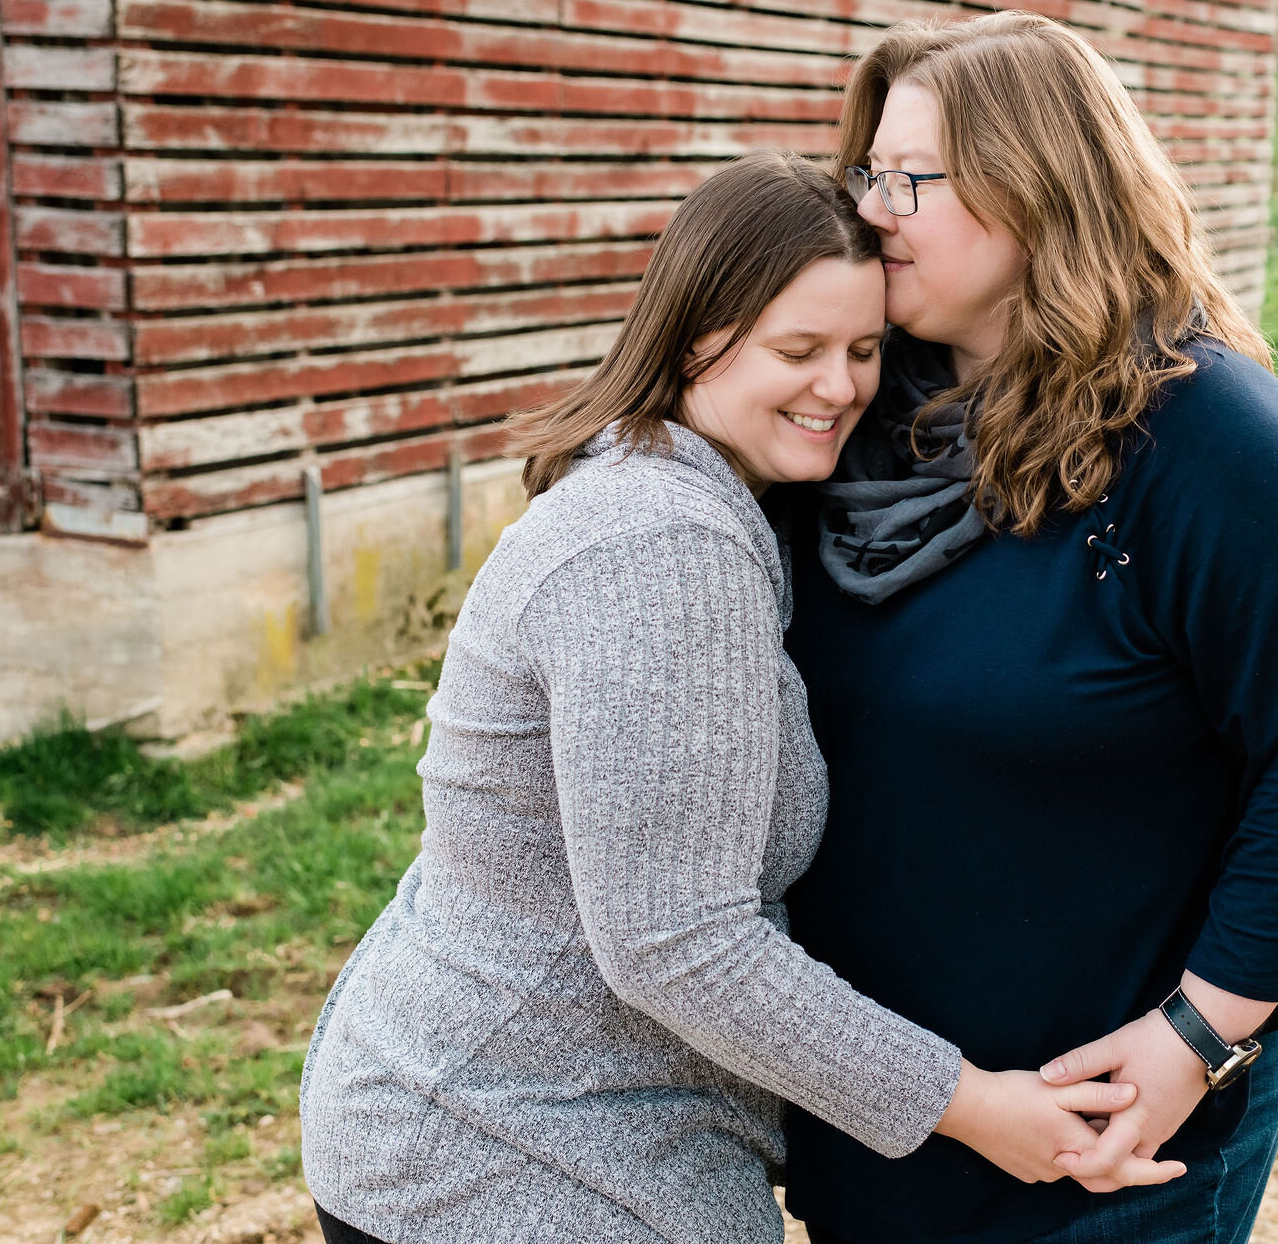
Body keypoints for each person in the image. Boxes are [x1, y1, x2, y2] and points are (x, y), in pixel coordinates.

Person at [297, 151, 1176, 1244]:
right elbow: (677, 942)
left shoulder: (660, 485)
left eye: (862, 350)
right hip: (516, 1160)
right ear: (692, 336)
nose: (840, 388)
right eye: (796, 350)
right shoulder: (662, 545)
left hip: (486, 1121)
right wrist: (976, 1108)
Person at [781, 13, 1278, 1244]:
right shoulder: (852, 409)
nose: (874, 208)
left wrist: (1195, 1038)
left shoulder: (1213, 443)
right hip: (896, 1108)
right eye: (868, 172)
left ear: (1042, 188)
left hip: (1109, 1137)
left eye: (913, 179)